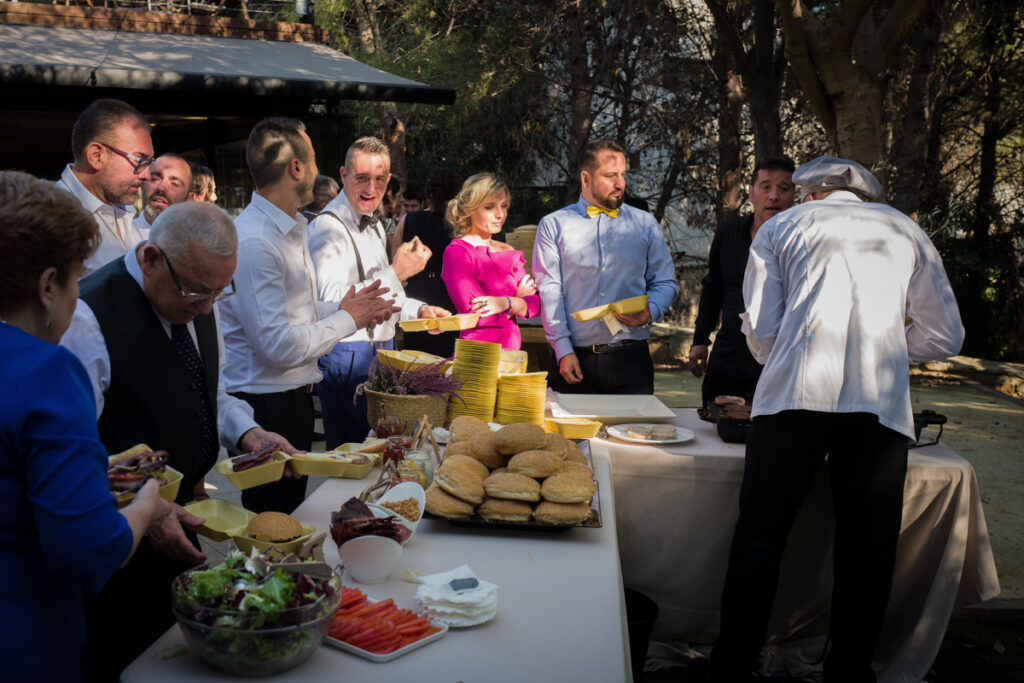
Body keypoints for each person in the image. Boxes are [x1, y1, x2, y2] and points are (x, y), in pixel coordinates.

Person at [710, 156, 965, 682]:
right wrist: (888, 349)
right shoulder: (904, 229)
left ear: (810, 194)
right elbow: (946, 337)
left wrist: (793, 353)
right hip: (878, 403)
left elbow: (760, 332)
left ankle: (734, 666)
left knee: (759, 541)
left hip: (794, 398)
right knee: (867, 552)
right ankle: (849, 672)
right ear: (864, 196)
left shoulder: (783, 227)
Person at [62, 201, 302, 681]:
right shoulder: (87, 317)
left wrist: (249, 432)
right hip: (120, 539)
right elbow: (74, 448)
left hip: (182, 522)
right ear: (151, 258)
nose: (208, 307)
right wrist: (141, 509)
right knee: (128, 660)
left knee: (177, 652)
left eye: (220, 292)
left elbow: (209, 389)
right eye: (196, 291)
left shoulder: (198, 292)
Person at [0, 171, 170, 682]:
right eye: (76, 278)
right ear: (48, 286)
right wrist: (145, 508)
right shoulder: (45, 373)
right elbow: (89, 548)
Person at [219, 119, 398, 513]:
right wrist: (348, 318)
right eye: (314, 158)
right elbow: (277, 346)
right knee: (271, 526)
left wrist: (348, 308)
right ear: (296, 169)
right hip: (264, 408)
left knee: (289, 518)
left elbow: (299, 313)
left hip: (293, 399)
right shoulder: (255, 241)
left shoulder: (289, 229)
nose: (318, 168)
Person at [308, 136, 447, 449]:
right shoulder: (327, 229)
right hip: (346, 355)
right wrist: (397, 271)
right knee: (351, 453)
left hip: (378, 351)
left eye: (380, 179)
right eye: (362, 178)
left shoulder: (373, 224)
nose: (372, 189)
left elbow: (384, 294)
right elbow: (329, 305)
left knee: (377, 450)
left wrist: (418, 311)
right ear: (343, 176)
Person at [533, 138, 678, 394]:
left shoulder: (645, 224)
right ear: (586, 179)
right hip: (574, 359)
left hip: (632, 360)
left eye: (622, 174)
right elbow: (550, 292)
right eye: (611, 176)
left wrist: (651, 310)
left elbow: (665, 281)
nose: (620, 183)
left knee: (635, 434)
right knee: (570, 436)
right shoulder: (554, 225)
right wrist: (563, 350)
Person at [689, 158, 795, 406]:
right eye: (766, 187)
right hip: (727, 352)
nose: (774, 196)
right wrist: (700, 340)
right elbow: (713, 289)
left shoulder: (800, 242)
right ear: (751, 193)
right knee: (712, 422)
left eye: (784, 188)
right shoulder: (728, 233)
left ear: (793, 195)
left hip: (775, 359)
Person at [441, 172, 540, 350]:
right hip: (478, 356)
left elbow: (535, 306)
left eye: (504, 206)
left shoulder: (509, 252)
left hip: (511, 355)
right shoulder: (457, 252)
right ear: (468, 209)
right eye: (489, 207)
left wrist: (504, 304)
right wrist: (516, 301)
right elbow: (478, 313)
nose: (500, 214)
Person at [57, 98, 154, 277]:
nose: (147, 175)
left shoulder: (126, 210)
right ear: (96, 155)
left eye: (149, 162)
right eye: (139, 161)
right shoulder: (48, 218)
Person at [397, 166, 463, 358]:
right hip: (450, 294)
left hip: (415, 294)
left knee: (415, 361)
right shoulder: (461, 226)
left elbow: (397, 263)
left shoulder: (407, 220)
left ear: (428, 192)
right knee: (449, 362)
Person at [134, 153, 193, 238]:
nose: (161, 187)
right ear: (143, 184)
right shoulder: (120, 237)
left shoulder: (198, 245)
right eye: (155, 179)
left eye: (175, 184)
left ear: (189, 199)